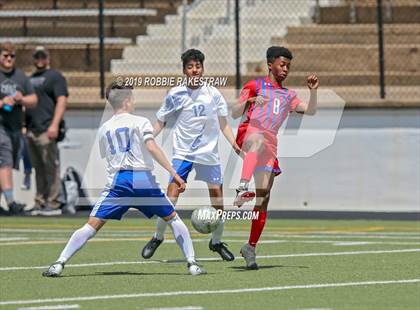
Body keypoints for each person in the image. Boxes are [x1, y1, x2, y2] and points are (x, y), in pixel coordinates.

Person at [42, 81, 206, 277]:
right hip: (142, 180)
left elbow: (108, 157)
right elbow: (152, 147)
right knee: (173, 218)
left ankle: (59, 263)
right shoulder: (141, 121)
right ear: (127, 101)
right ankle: (192, 264)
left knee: (91, 225)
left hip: (119, 182)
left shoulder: (104, 128)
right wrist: (175, 174)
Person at [141, 49, 241, 261]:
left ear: (202, 69)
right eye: (190, 67)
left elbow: (224, 124)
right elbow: (161, 121)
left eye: (198, 66)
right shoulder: (175, 94)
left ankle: (216, 242)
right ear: (184, 70)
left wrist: (234, 144)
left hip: (209, 155)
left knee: (218, 202)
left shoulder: (213, 93)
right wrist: (147, 137)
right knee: (171, 197)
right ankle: (157, 236)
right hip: (183, 154)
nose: (194, 70)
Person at [231, 46, 319, 269]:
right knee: (257, 139)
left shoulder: (288, 95)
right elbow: (234, 111)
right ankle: (242, 187)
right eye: (282, 64)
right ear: (270, 65)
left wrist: (313, 91)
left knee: (263, 197)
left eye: (288, 66)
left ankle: (250, 247)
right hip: (250, 132)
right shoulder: (254, 85)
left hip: (270, 143)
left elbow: (309, 110)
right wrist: (249, 102)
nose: (286, 69)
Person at [26, 46, 68, 215]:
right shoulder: (31, 78)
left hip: (47, 128)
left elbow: (62, 100)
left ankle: (53, 201)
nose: (40, 59)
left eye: (43, 56)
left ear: (48, 58)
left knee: (51, 166)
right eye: (37, 56)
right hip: (32, 129)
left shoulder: (55, 76)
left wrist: (54, 124)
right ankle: (40, 201)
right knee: (38, 168)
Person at [0, 42, 37, 215]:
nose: (8, 59)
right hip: (1, 127)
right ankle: (10, 201)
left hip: (15, 128)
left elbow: (34, 100)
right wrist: (2, 102)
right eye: (5, 55)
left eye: (12, 56)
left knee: (8, 164)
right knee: (5, 161)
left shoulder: (21, 77)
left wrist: (21, 99)